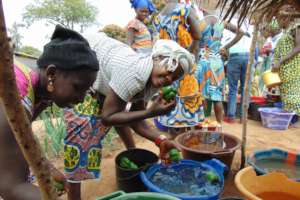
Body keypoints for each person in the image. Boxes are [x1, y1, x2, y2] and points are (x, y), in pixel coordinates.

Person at [63, 32, 195, 200]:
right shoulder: (135, 73)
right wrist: (151, 112)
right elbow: (108, 117)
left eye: (174, 77)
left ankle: (132, 154)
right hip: (78, 66)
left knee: (121, 115)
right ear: (156, 58)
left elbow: (136, 119)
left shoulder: (152, 80)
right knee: (82, 134)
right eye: (168, 70)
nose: (169, 78)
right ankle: (74, 196)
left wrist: (162, 140)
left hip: (101, 75)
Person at [0, 25, 99, 200]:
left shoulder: (43, 92)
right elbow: (11, 187)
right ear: (52, 73)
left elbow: (24, 140)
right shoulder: (17, 94)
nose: (82, 99)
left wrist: (50, 171)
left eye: (86, 91)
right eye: (78, 88)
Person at [153, 0, 204, 127]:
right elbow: (198, 35)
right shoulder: (185, 10)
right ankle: (184, 139)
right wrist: (188, 56)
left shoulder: (158, 17)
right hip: (183, 66)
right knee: (187, 101)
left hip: (166, 67)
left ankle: (174, 134)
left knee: (170, 99)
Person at [195, 14, 245, 123]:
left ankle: (203, 124)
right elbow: (241, 32)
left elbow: (195, 43)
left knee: (201, 95)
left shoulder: (201, 23)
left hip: (204, 61)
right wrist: (225, 47)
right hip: (217, 63)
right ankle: (218, 126)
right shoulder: (222, 22)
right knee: (217, 97)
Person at [272, 7, 300, 117]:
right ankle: (290, 119)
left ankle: (296, 121)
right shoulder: (287, 31)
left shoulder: (296, 28)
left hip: (292, 70)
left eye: (279, 19)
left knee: (294, 96)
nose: (278, 21)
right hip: (285, 71)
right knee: (287, 97)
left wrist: (280, 61)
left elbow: (298, 47)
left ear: (286, 18)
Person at [223, 21, 252, 124]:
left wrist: (226, 51)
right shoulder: (248, 26)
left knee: (233, 88)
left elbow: (224, 50)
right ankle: (243, 117)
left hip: (234, 57)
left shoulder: (227, 25)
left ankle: (231, 116)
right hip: (248, 56)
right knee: (245, 88)